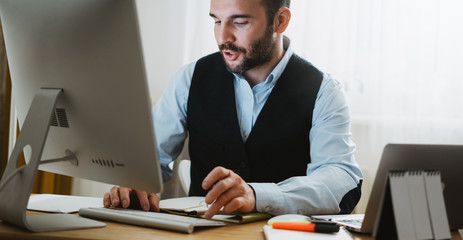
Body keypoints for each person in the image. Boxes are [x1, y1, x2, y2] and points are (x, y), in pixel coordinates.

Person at [104, 0, 363, 219]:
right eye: (216, 21)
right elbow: (148, 162)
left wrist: (257, 195)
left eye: (239, 22)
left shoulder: (324, 91)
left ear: (280, 21)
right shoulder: (189, 78)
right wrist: (133, 183)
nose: (222, 37)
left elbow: (341, 177)